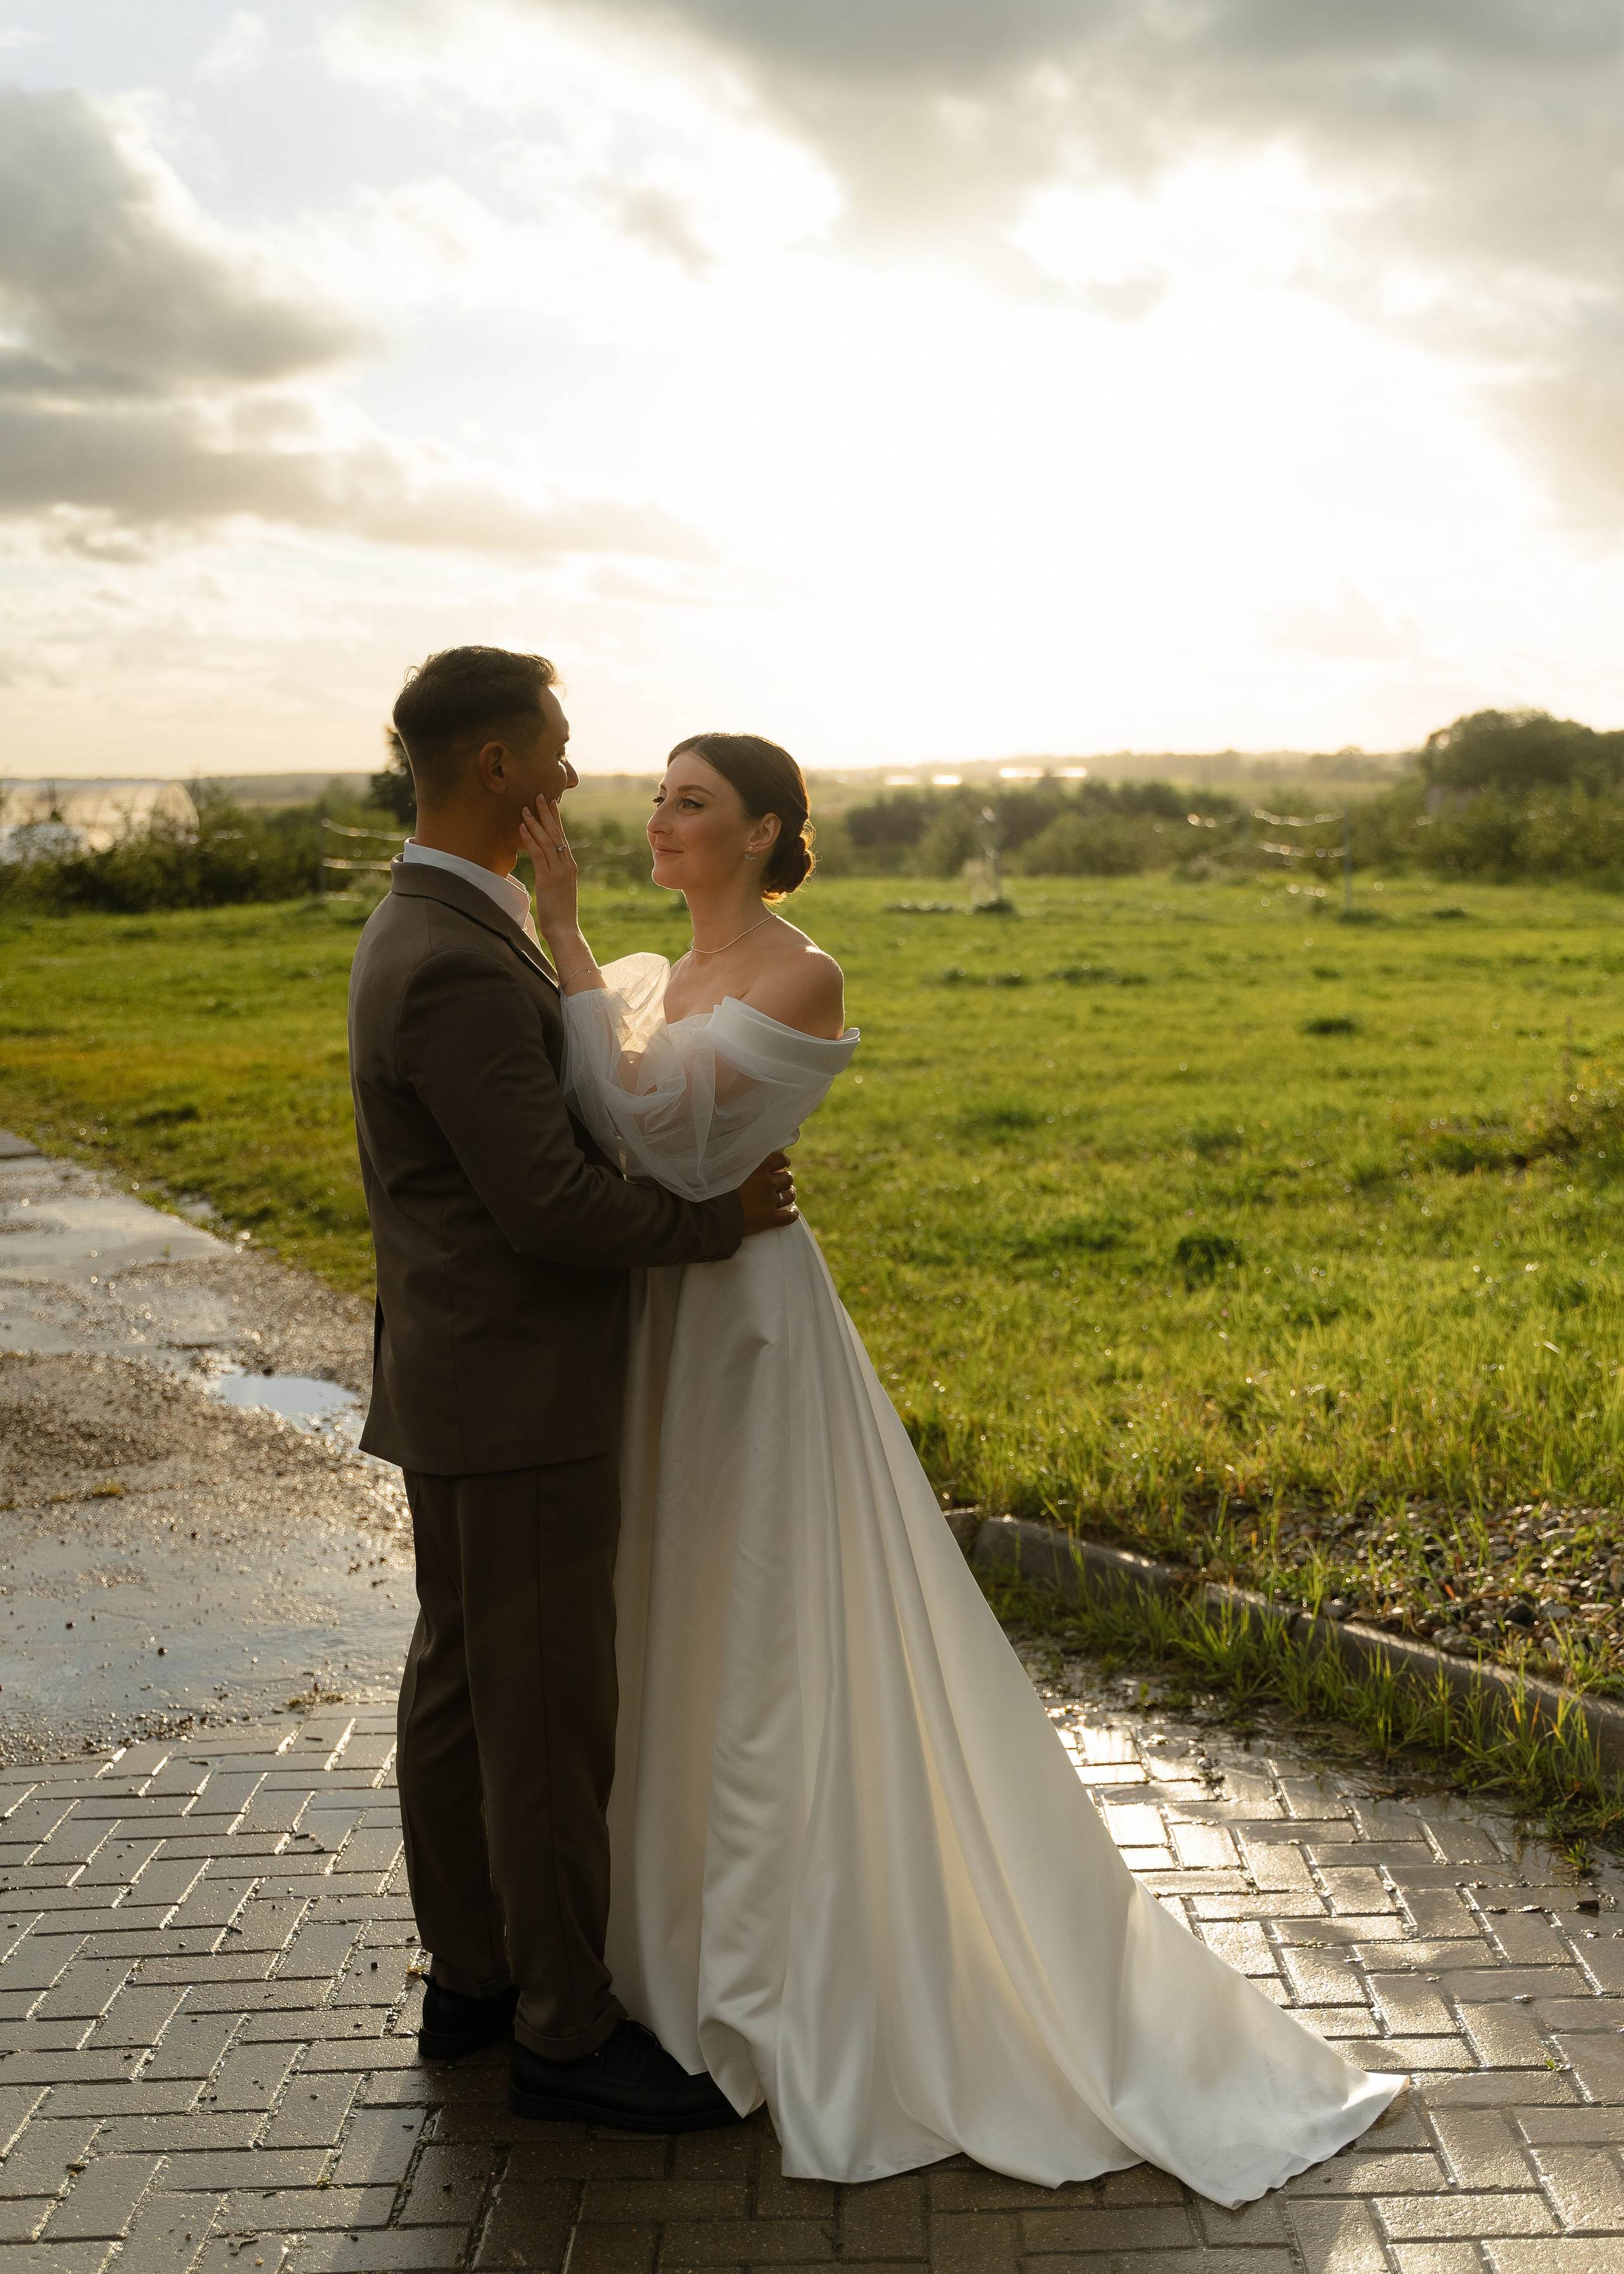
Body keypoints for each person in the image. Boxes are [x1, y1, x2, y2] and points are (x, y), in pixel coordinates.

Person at [515, 728, 1406, 2197]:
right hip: (657, 1322)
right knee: (661, 1625)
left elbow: (650, 1133)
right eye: (660, 796)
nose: (658, 819)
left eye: (692, 802)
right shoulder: (638, 978)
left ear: (763, 831)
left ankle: (773, 1982)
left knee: (760, 1638)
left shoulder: (802, 973)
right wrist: (576, 965)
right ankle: (664, 1963)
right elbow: (609, 1121)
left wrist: (555, 931)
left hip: (745, 1331)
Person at [348, 647, 799, 2135]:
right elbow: (545, 1203)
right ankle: (558, 2028)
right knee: (539, 1712)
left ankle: (471, 1980)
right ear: (493, 766)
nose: (571, 765)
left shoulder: (435, 925)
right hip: (517, 1382)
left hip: (457, 1371)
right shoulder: (452, 959)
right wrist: (709, 1226)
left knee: (464, 1684)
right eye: (553, 741)